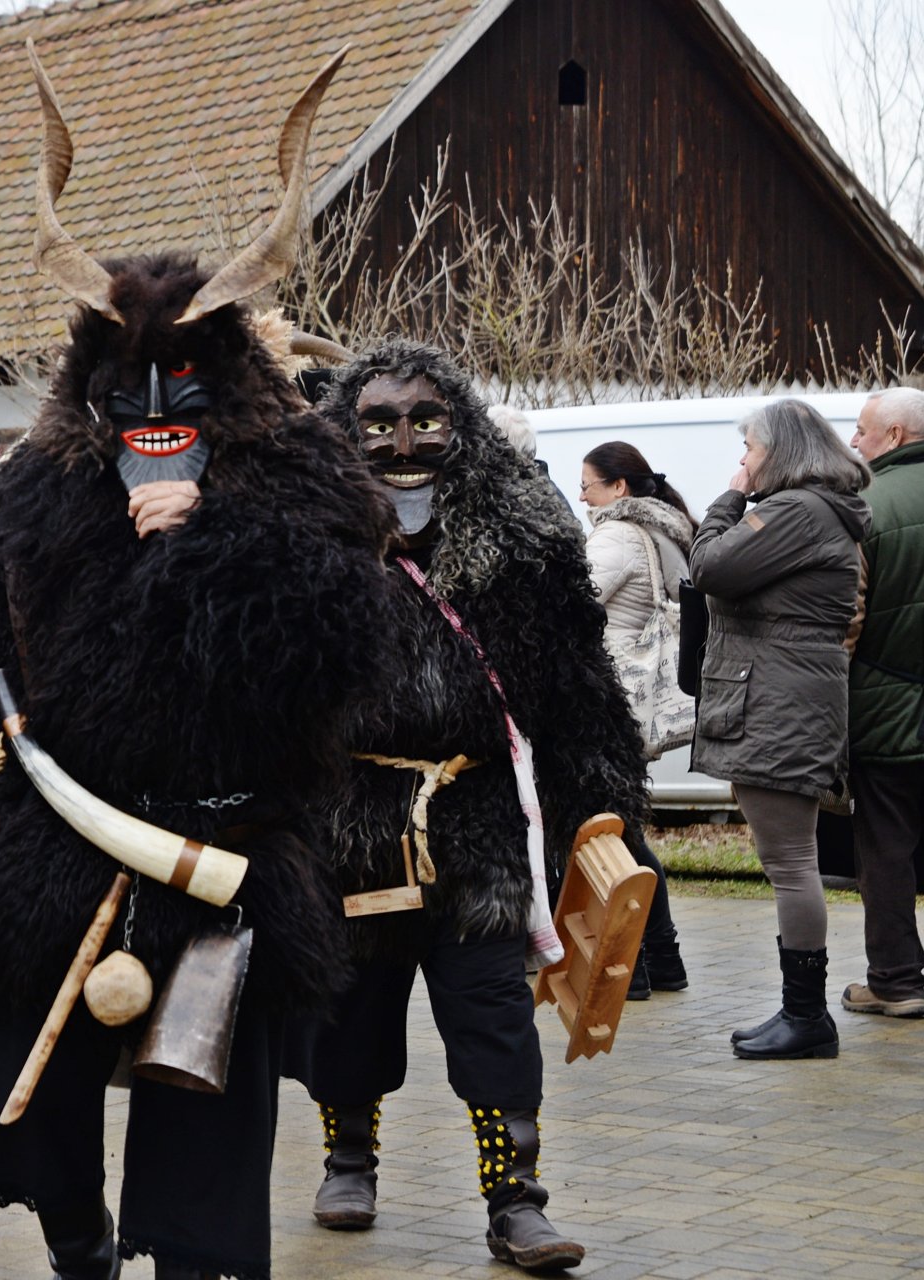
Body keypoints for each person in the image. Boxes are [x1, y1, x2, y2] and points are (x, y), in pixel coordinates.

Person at [0, 49, 399, 1279]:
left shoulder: (304, 486)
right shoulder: (41, 498)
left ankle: (189, 1258)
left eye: (183, 387)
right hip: (61, 836)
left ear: (230, 387)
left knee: (206, 1111)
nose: (155, 410)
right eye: (129, 388)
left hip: (226, 853)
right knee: (30, 1082)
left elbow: (340, 649)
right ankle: (76, 1237)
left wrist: (213, 545)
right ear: (90, 389)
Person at [288, 342, 647, 1274]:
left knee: (492, 1013)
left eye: (425, 420)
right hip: (352, 818)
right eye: (377, 424)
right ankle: (348, 1160)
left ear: (463, 427)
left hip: (479, 816)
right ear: (344, 431)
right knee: (349, 1009)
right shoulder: (296, 538)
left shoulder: (526, 535)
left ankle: (515, 1201)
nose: (403, 441)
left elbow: (578, 693)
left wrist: (603, 825)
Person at [691, 398, 870, 1060]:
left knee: (792, 862)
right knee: (790, 861)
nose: (742, 462)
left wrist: (728, 499)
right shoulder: (815, 510)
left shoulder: (796, 511)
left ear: (783, 452)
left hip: (780, 701)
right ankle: (802, 1013)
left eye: (750, 450)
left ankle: (808, 1017)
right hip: (781, 696)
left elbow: (708, 567)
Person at [580, 441, 695, 999]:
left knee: (616, 833)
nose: (582, 496)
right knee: (626, 829)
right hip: (632, 701)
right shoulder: (664, 530)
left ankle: (641, 965)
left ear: (618, 488)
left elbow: (575, 601)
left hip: (609, 699)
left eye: (588, 485)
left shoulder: (618, 535)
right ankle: (662, 960)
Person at [841, 388, 924, 1019]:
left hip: (888, 711)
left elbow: (845, 623)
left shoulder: (866, 510)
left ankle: (897, 982)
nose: (854, 442)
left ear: (897, 435)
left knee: (886, 846)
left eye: (862, 431)